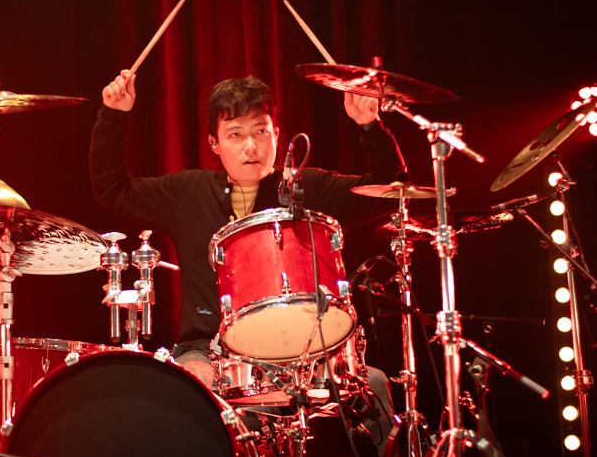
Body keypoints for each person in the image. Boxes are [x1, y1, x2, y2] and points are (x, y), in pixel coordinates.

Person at [90, 69, 408, 387]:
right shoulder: (187, 193)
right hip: (208, 350)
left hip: (301, 348)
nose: (251, 146)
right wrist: (114, 115)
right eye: (235, 134)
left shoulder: (305, 186)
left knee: (374, 384)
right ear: (214, 143)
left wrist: (369, 123)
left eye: (260, 131)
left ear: (277, 133)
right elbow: (112, 189)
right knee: (190, 383)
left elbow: (389, 191)